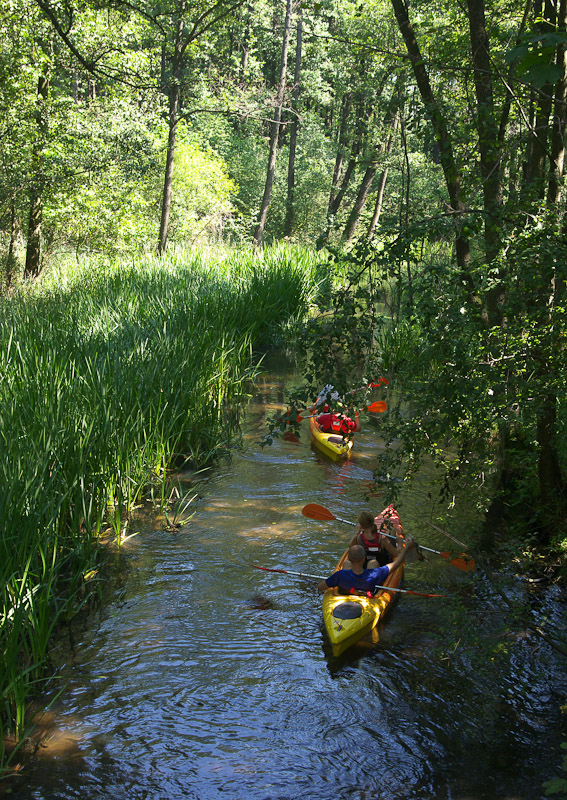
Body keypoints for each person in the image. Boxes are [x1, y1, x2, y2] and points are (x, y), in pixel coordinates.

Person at [317, 540, 418, 596]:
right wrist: (406, 547)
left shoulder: (339, 575)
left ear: (349, 559)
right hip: (367, 598)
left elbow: (320, 587)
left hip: (345, 599)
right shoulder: (374, 574)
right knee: (374, 563)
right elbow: (397, 563)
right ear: (363, 558)